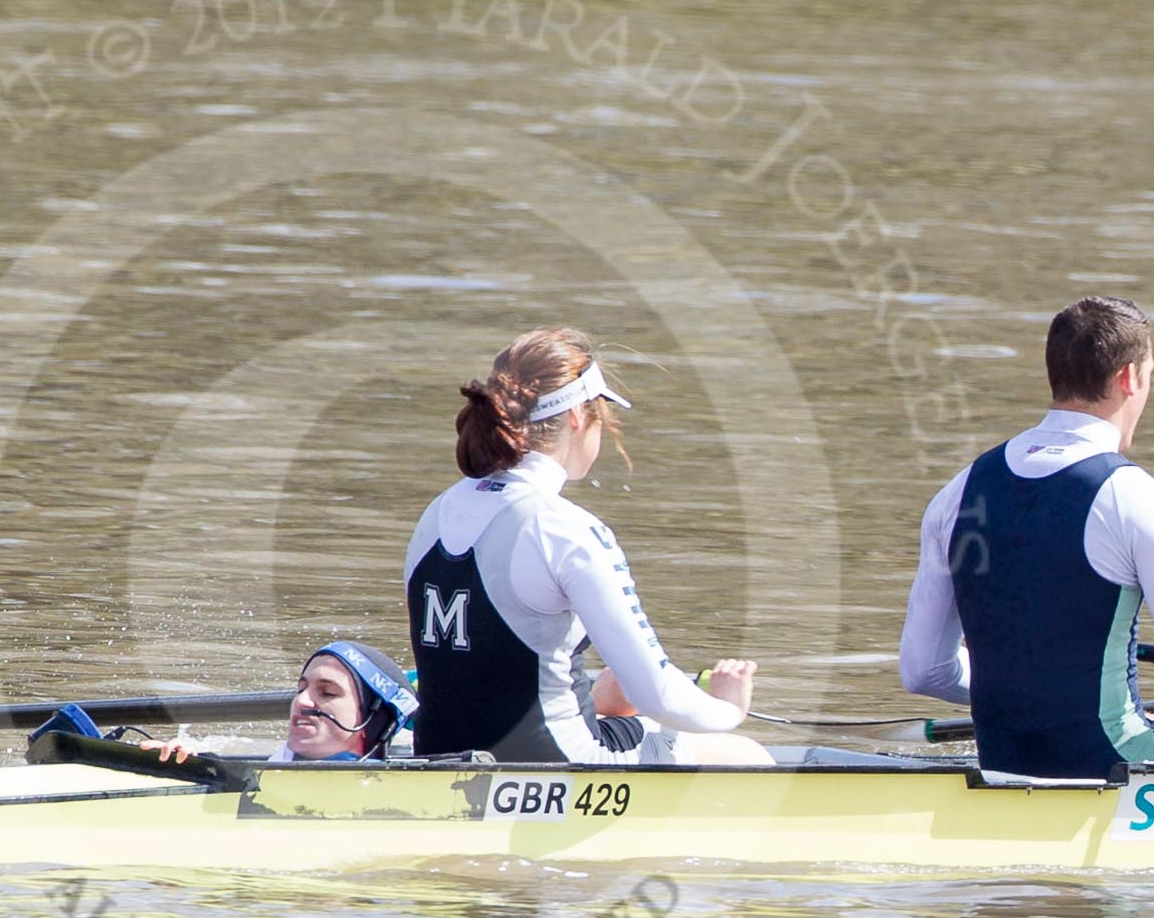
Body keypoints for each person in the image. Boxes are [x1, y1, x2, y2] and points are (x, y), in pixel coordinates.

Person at [899, 295, 1154, 777]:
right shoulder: (1136, 498)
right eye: (1150, 377)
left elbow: (924, 669)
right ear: (1129, 377)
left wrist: (1044, 690)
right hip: (1108, 761)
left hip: (1002, 760)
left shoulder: (958, 491)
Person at [403, 325, 772, 765]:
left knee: (616, 700)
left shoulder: (439, 510)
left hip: (435, 755)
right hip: (554, 765)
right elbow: (659, 698)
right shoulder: (565, 529)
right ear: (578, 414)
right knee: (745, 755)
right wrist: (729, 709)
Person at [141, 640, 419, 764]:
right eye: (301, 688)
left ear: (374, 719)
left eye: (328, 693)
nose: (303, 701)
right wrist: (181, 764)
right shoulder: (230, 770)